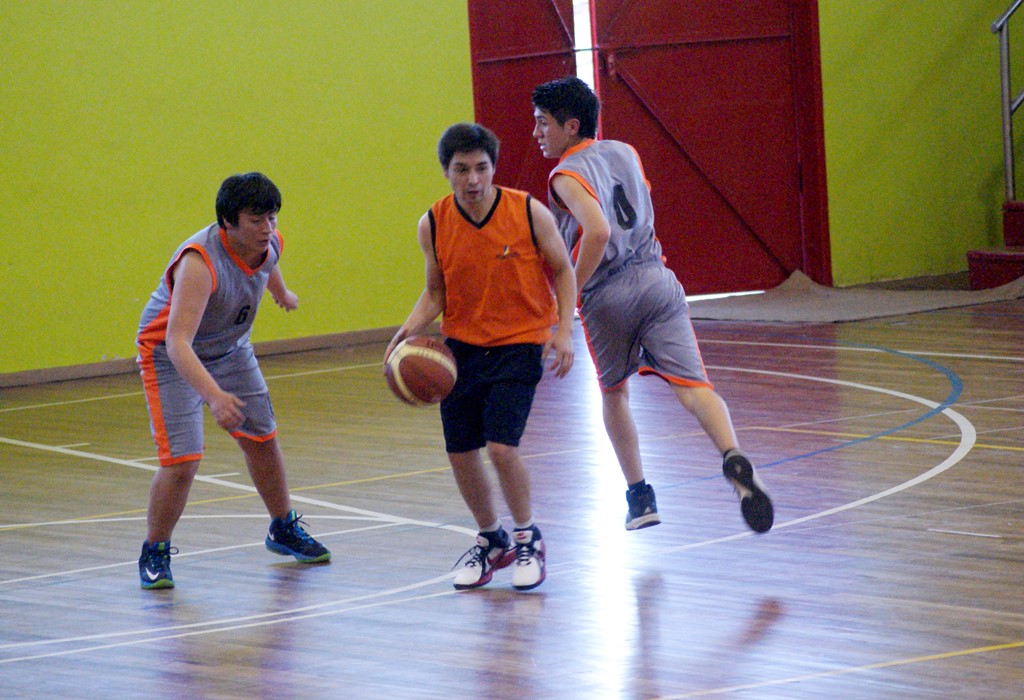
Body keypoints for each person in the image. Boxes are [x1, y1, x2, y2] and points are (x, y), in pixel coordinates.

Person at [531, 76, 773, 533]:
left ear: (571, 126)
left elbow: (598, 232)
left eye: (543, 123)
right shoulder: (626, 151)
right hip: (656, 279)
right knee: (694, 388)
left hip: (607, 294)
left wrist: (569, 297)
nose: (536, 132)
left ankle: (640, 497)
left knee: (614, 393)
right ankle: (733, 456)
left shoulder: (564, 175)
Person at [385, 123, 577, 591]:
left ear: (493, 167)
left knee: (501, 447)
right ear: (446, 171)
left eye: (481, 168)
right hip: (462, 348)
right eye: (461, 169)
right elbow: (435, 292)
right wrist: (406, 333)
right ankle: (493, 540)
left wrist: (564, 332)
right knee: (460, 451)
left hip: (520, 342)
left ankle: (528, 537)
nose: (472, 179)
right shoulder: (433, 223)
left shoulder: (528, 212)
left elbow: (563, 270)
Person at [135, 172, 330, 590]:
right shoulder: (199, 264)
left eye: (272, 218)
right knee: (182, 461)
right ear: (228, 222)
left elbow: (268, 263)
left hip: (230, 347)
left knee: (263, 438)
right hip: (169, 355)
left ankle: (283, 527)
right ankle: (154, 550)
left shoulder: (269, 242)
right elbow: (178, 343)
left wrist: (280, 291)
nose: (267, 228)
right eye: (256, 220)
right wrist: (215, 396)